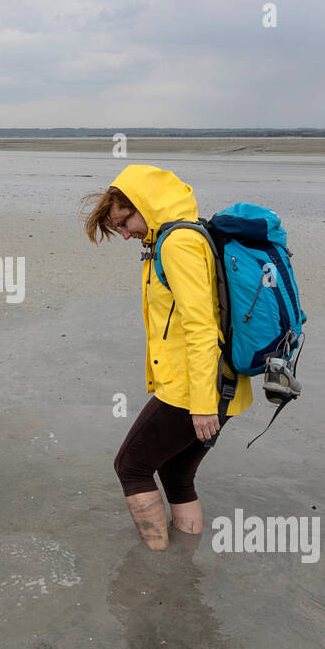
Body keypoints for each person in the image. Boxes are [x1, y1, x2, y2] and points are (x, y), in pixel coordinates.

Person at [81, 165, 252, 550]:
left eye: (123, 222)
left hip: (194, 391)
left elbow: (201, 326)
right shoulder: (174, 238)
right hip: (211, 385)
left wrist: (204, 404)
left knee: (131, 467)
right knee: (176, 473)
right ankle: (181, 565)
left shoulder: (178, 243)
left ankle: (155, 565)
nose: (125, 234)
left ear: (143, 204)